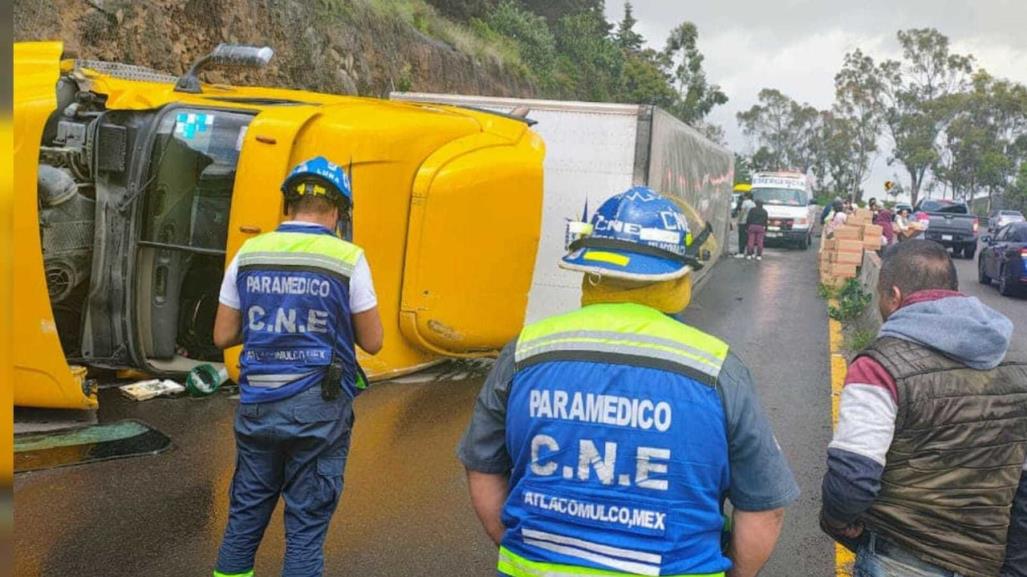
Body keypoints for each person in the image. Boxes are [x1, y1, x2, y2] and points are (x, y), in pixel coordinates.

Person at [458, 186, 799, 577]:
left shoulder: (525, 351)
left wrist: (521, 547)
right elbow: (765, 508)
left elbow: (482, 465)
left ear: (592, 270)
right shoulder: (717, 369)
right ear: (677, 275)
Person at [212, 156, 384, 577]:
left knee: (245, 520)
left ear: (288, 204)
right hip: (318, 412)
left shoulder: (249, 253)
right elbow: (374, 341)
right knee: (305, 531)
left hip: (257, 405)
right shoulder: (348, 258)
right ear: (339, 211)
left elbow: (222, 335)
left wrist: (270, 320)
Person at [820, 240, 1027, 577]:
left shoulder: (880, 365)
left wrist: (836, 522)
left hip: (901, 556)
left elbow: (852, 477)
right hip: (984, 561)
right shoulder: (1018, 363)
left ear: (895, 296)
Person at [734, 193, 756, 258]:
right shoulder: (753, 203)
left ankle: (741, 252)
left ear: (746, 197)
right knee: (750, 238)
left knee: (741, 237)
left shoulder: (745, 202)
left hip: (743, 222)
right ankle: (751, 252)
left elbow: (742, 212)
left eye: (744, 196)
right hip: (750, 223)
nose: (743, 197)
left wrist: (738, 220)